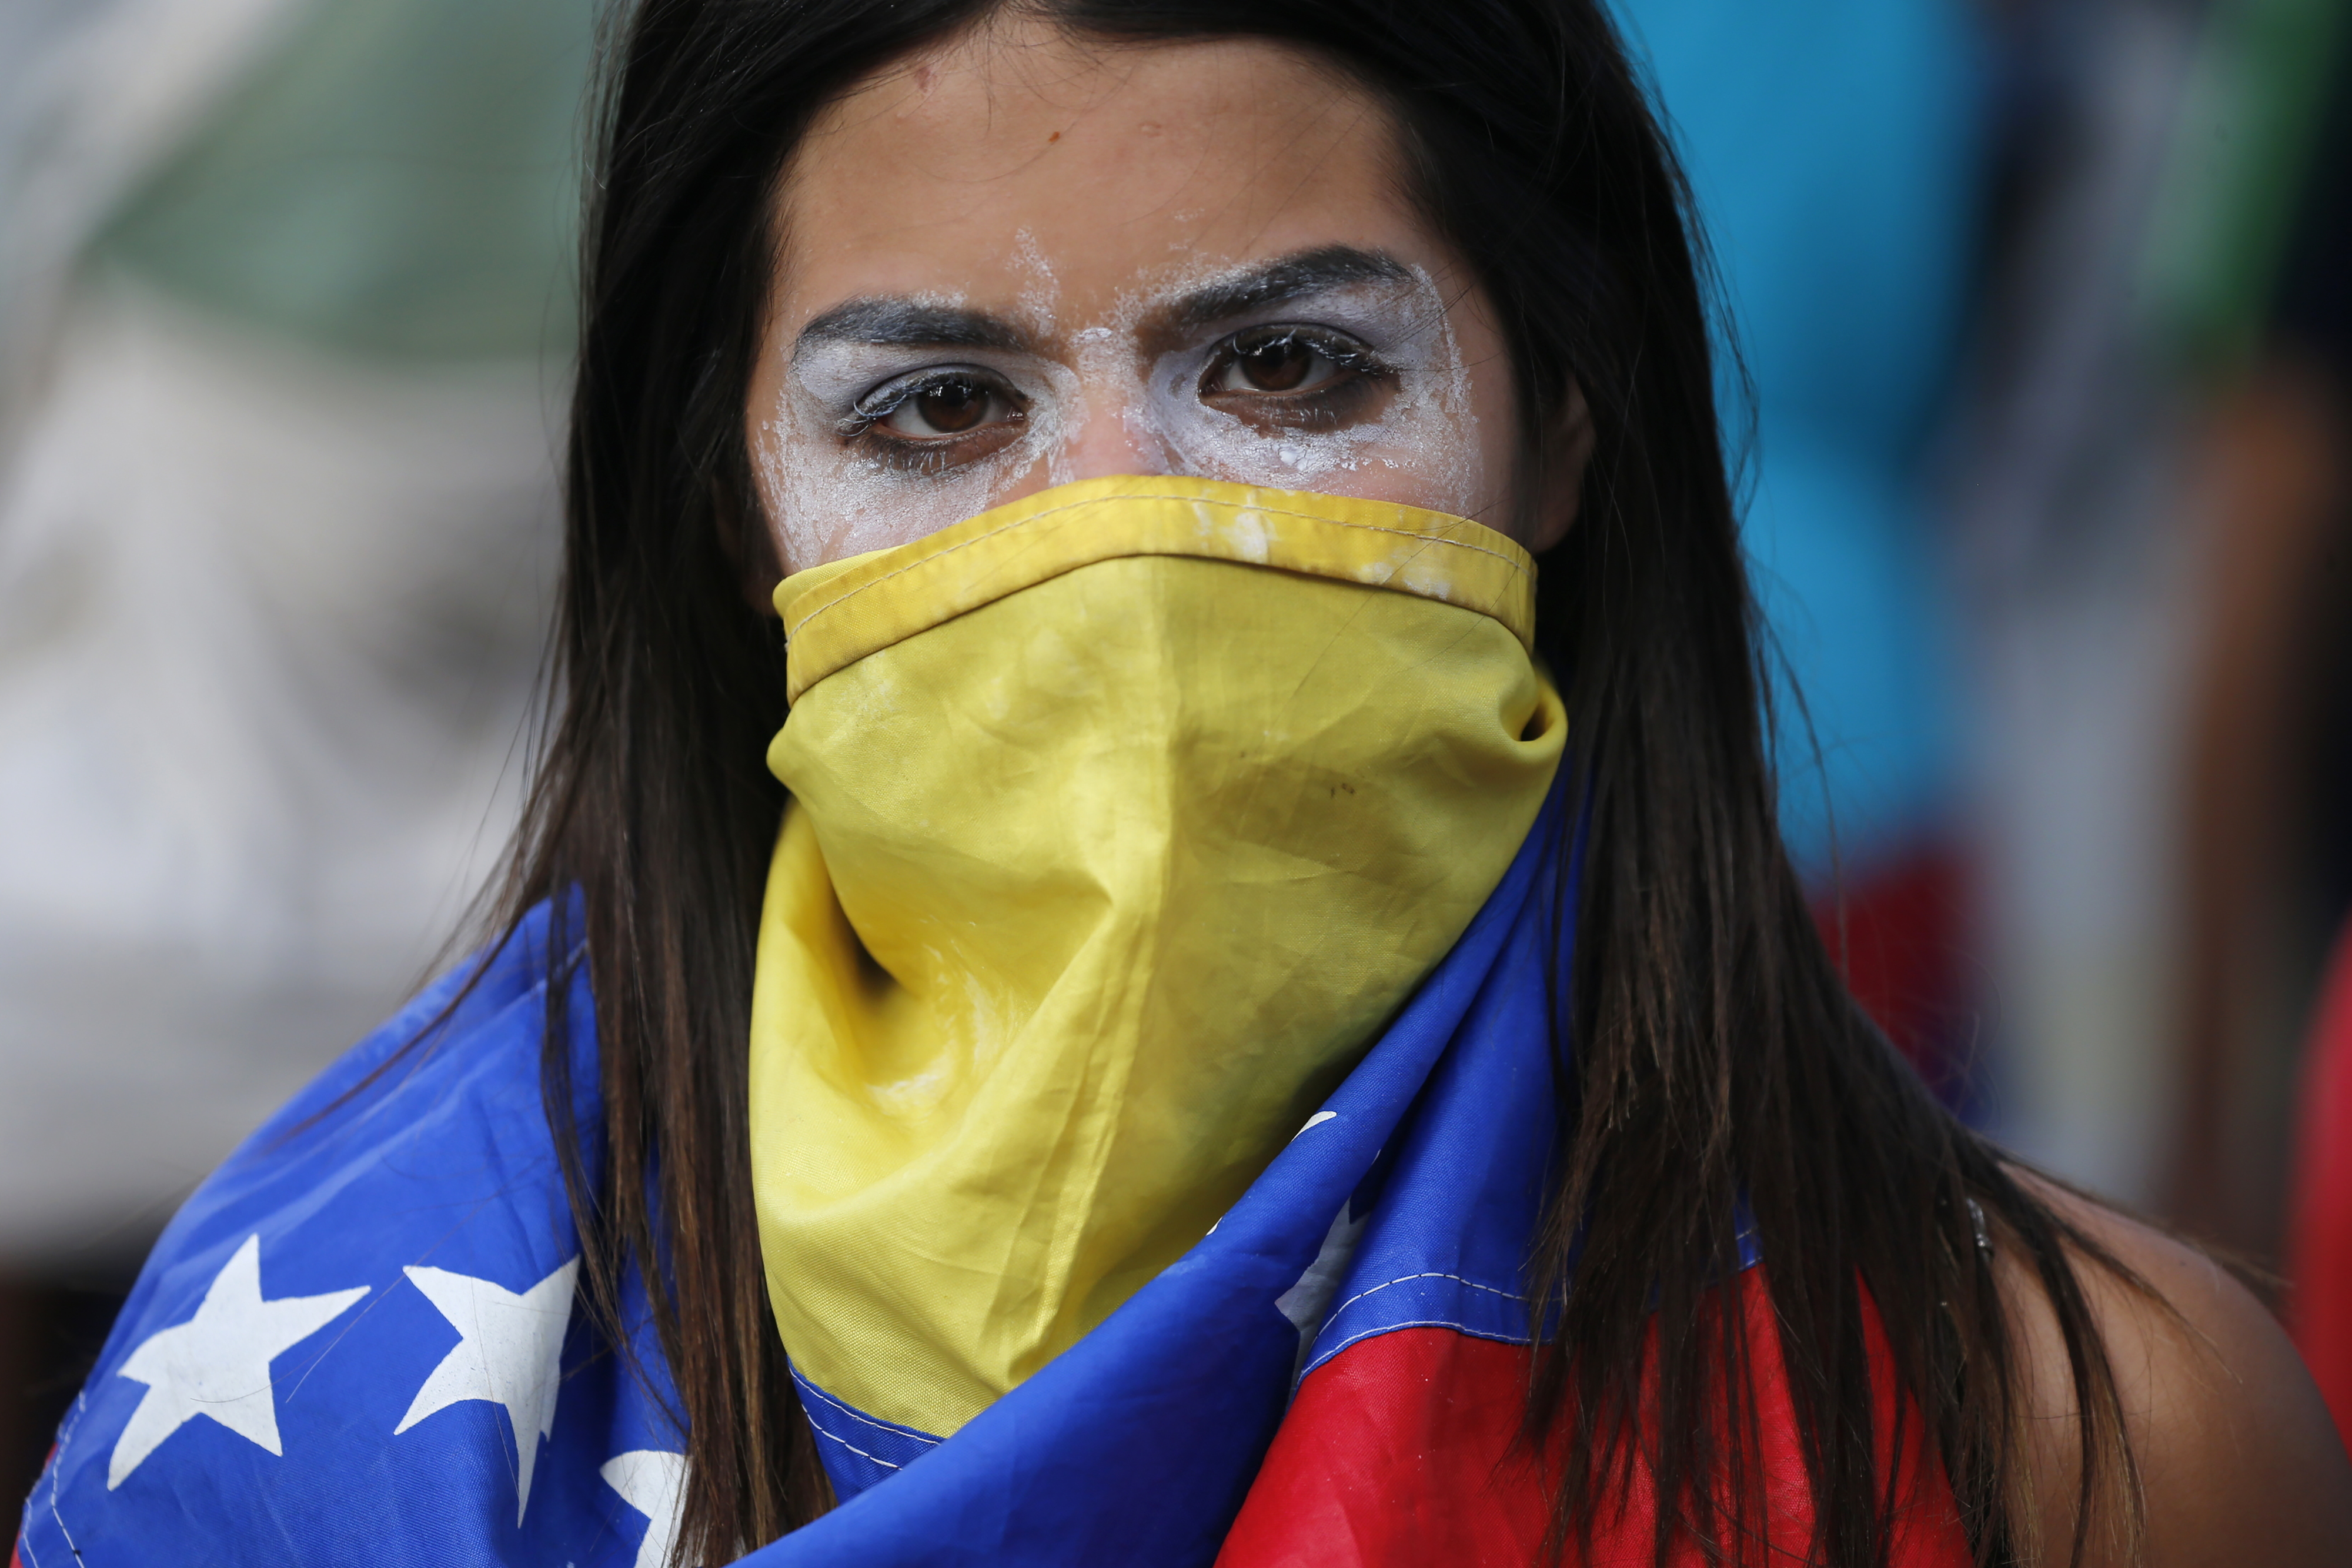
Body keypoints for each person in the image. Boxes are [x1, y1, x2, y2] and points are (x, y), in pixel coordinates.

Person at [16, 3, 2350, 1565]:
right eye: (935, 412)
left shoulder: (2069, 1437)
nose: (1122, 536)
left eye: (1291, 368)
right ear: (722, 511)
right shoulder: (345, 1412)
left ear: (1565, 427)